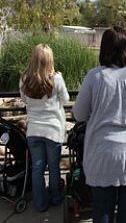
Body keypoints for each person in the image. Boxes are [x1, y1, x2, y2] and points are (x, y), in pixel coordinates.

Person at [72, 26, 126, 223]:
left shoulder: (95, 76)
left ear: (104, 48)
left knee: (102, 208)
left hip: (103, 155)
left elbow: (79, 114)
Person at [19, 44, 69, 212]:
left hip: (33, 131)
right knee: (54, 167)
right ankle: (56, 197)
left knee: (37, 169)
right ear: (50, 60)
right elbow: (66, 99)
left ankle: (40, 204)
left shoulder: (24, 79)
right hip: (53, 131)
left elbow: (25, 101)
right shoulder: (57, 79)